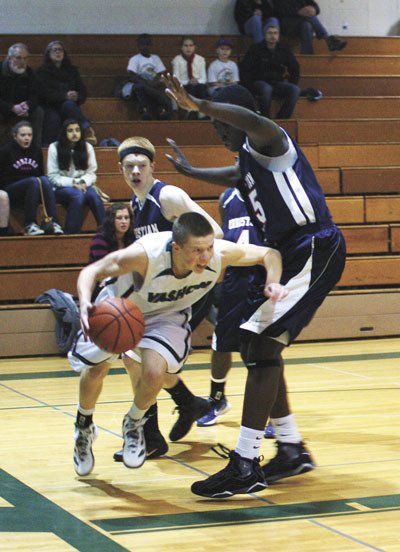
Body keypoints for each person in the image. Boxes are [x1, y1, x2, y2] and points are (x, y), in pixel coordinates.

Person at [162, 76, 346, 498]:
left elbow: (250, 119)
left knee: (261, 346)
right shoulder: (249, 159)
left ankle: (246, 463)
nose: (220, 131)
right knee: (257, 347)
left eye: (222, 125)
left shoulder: (270, 140)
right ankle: (291, 449)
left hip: (313, 244)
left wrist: (199, 103)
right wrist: (192, 172)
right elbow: (236, 174)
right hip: (290, 249)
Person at [70, 211, 287, 476]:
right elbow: (92, 270)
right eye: (197, 250)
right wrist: (84, 303)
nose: (205, 257)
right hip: (122, 308)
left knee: (154, 371)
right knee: (96, 368)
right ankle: (84, 425)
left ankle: (134, 423)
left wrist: (273, 283)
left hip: (166, 314)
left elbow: (269, 254)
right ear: (176, 247)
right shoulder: (145, 255)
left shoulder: (219, 254)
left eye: (208, 248)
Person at [110, 136, 224, 464]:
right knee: (142, 359)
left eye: (141, 166)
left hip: (187, 287)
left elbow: (213, 232)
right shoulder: (135, 206)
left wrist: (191, 266)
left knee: (136, 355)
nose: (135, 171)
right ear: (120, 169)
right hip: (161, 290)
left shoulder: (168, 196)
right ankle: (186, 404)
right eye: (129, 166)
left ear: (152, 167)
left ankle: (151, 434)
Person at [195, 187, 276, 439]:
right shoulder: (227, 198)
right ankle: (217, 399)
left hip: (261, 276)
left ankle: (273, 413)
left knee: (262, 349)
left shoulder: (270, 194)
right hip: (233, 278)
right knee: (221, 343)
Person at [0, 120, 63, 235]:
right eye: (23, 135)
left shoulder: (36, 149)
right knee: (33, 181)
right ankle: (30, 224)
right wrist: (25, 182)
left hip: (32, 189)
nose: (27, 138)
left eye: (29, 135)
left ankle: (53, 221)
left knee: (44, 179)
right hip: (11, 190)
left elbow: (40, 173)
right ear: (15, 136)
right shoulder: (5, 151)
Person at [47, 118, 105, 234]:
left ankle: (106, 231)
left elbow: (91, 173)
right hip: (60, 188)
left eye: (77, 130)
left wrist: (82, 182)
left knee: (94, 197)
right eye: (70, 130)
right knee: (78, 196)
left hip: (84, 185)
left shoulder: (87, 147)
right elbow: (53, 177)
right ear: (64, 132)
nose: (75, 133)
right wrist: (74, 183)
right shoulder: (54, 147)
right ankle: (70, 234)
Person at [36, 41, 97, 146]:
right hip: (49, 106)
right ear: (48, 53)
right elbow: (43, 94)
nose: (57, 52)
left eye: (60, 50)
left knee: (69, 105)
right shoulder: (42, 72)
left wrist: (77, 96)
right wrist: (64, 96)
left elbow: (82, 91)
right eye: (54, 50)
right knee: (53, 118)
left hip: (68, 106)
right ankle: (51, 147)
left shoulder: (72, 71)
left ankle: (87, 132)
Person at [240, 17, 300, 119]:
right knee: (266, 89)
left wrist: (292, 82)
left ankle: (282, 119)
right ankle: (265, 119)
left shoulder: (284, 49)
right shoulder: (255, 49)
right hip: (259, 82)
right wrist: (249, 88)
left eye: (275, 33)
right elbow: (245, 69)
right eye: (270, 33)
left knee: (295, 90)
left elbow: (295, 67)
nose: (273, 36)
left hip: (277, 83)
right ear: (265, 34)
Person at [0, 43, 44, 147]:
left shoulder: (30, 73)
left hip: (22, 110)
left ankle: (35, 149)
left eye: (25, 58)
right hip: (3, 109)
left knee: (38, 112)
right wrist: (12, 107)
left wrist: (28, 106)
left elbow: (36, 95)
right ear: (9, 58)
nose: (22, 62)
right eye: (18, 58)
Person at [272, 0, 347, 54]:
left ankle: (307, 55)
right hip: (285, 25)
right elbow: (278, 8)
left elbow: (314, 5)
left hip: (300, 24)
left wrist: (314, 9)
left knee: (307, 25)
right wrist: (298, 11)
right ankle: (328, 39)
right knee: (308, 17)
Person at [127, 34, 173, 121]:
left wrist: (154, 82)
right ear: (138, 46)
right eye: (143, 44)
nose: (145, 46)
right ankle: (145, 110)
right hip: (142, 82)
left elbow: (160, 73)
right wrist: (146, 83)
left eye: (148, 44)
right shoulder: (135, 59)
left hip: (154, 82)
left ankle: (163, 110)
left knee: (164, 86)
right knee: (141, 88)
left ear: (151, 45)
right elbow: (132, 75)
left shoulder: (156, 58)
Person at [171, 36, 209, 119]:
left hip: (198, 85)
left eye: (191, 45)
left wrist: (197, 81)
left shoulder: (200, 59)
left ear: (194, 47)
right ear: (181, 47)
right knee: (191, 87)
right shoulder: (177, 60)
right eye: (186, 45)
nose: (188, 48)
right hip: (184, 85)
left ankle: (202, 114)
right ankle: (191, 112)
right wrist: (188, 81)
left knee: (201, 87)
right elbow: (176, 79)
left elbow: (204, 78)